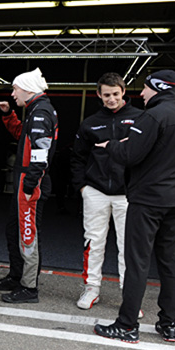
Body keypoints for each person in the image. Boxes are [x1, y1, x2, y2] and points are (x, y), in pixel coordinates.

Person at [93, 70, 175, 344]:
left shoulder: (153, 116)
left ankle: (127, 325)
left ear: (159, 88)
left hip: (148, 200)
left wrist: (112, 145)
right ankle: (169, 324)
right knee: (170, 263)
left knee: (137, 262)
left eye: (145, 88)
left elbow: (130, 155)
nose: (141, 94)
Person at [70, 72, 141, 309]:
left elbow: (147, 157)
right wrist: (82, 187)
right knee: (93, 241)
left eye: (115, 94)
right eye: (106, 95)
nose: (111, 99)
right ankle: (91, 289)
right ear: (99, 95)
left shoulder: (140, 119)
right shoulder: (90, 122)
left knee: (128, 246)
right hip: (96, 191)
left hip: (127, 194)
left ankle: (128, 297)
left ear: (123, 92)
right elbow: (77, 157)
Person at [0, 68, 58, 304]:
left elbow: (41, 153)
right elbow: (23, 136)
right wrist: (9, 115)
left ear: (28, 89)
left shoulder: (41, 112)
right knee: (14, 230)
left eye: (15, 88)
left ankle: (29, 288)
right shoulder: (35, 110)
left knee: (28, 234)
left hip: (31, 182)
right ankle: (17, 276)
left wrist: (29, 186)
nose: (12, 93)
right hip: (26, 180)